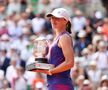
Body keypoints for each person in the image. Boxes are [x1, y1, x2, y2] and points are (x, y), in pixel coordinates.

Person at [33, 8, 74, 90]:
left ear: (65, 21)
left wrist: (51, 71)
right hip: (55, 84)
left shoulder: (64, 37)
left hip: (61, 84)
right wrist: (40, 62)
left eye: (57, 18)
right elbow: (55, 63)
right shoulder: (57, 38)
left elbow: (70, 63)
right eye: (52, 18)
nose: (53, 20)